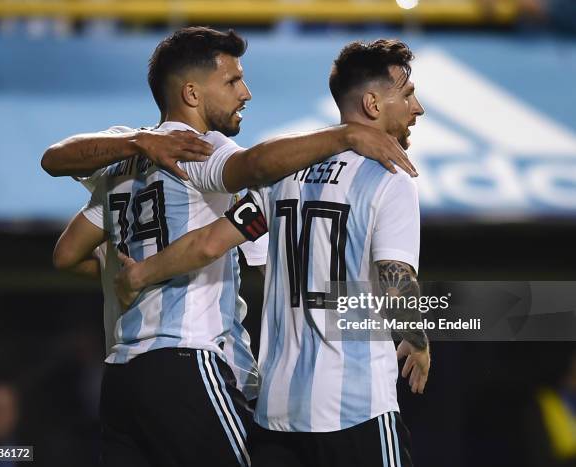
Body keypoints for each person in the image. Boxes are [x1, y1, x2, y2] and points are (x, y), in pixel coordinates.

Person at [47, 27, 418, 467]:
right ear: (191, 93)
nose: (245, 93)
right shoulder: (199, 150)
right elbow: (254, 168)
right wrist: (347, 135)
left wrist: (130, 273)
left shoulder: (124, 159)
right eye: (231, 81)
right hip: (191, 360)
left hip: (123, 372)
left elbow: (65, 247)